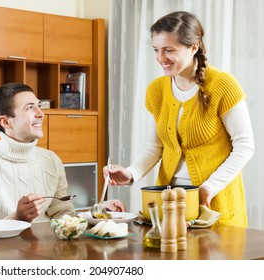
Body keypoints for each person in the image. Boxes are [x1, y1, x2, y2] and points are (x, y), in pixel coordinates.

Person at [105, 11, 254, 227]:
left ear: (193, 47)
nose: (160, 58)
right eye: (156, 50)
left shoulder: (223, 84)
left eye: (169, 50)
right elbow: (154, 147)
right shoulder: (156, 90)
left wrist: (208, 188)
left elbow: (245, 145)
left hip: (213, 203)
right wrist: (130, 173)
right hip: (167, 204)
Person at [0, 82, 125, 223]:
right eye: (30, 108)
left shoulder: (51, 160)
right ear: (5, 122)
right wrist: (16, 218)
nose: (41, 113)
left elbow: (63, 216)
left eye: (39, 106)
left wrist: (94, 214)